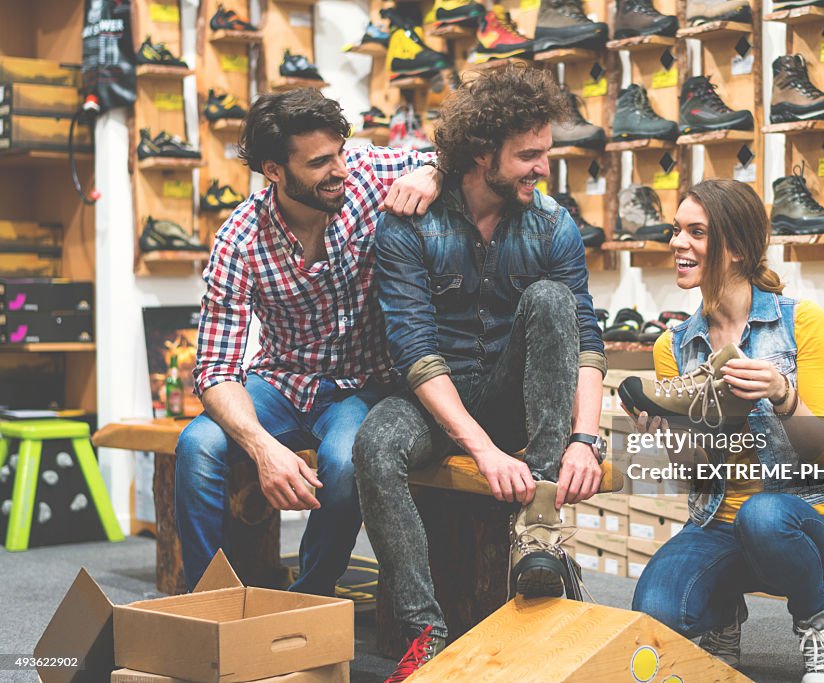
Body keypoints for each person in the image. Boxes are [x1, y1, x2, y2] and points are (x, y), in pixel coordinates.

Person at [352, 64, 606, 682]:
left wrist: (586, 437)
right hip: (430, 399)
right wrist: (484, 450)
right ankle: (424, 637)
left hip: (510, 396)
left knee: (551, 299)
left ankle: (539, 538)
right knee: (375, 446)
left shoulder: (552, 223)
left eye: (545, 152)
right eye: (528, 156)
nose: (543, 168)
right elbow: (414, 350)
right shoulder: (410, 221)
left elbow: (586, 337)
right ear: (479, 155)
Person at [175, 88, 444, 595]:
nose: (340, 168)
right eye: (320, 162)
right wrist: (262, 448)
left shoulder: (365, 175)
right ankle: (206, 603)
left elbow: (449, 154)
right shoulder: (240, 240)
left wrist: (432, 172)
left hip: (363, 385)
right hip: (281, 381)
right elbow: (215, 368)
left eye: (340, 151)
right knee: (197, 446)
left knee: (345, 463)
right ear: (274, 170)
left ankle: (308, 600)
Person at [627, 179, 824, 683]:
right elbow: (698, 473)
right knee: (655, 610)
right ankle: (723, 612)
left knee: (763, 514)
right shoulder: (674, 346)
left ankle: (818, 622)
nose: (677, 244)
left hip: (802, 522)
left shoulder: (801, 323)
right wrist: (669, 438)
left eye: (696, 232)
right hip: (716, 524)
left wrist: (781, 392)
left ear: (736, 247)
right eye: (677, 230)